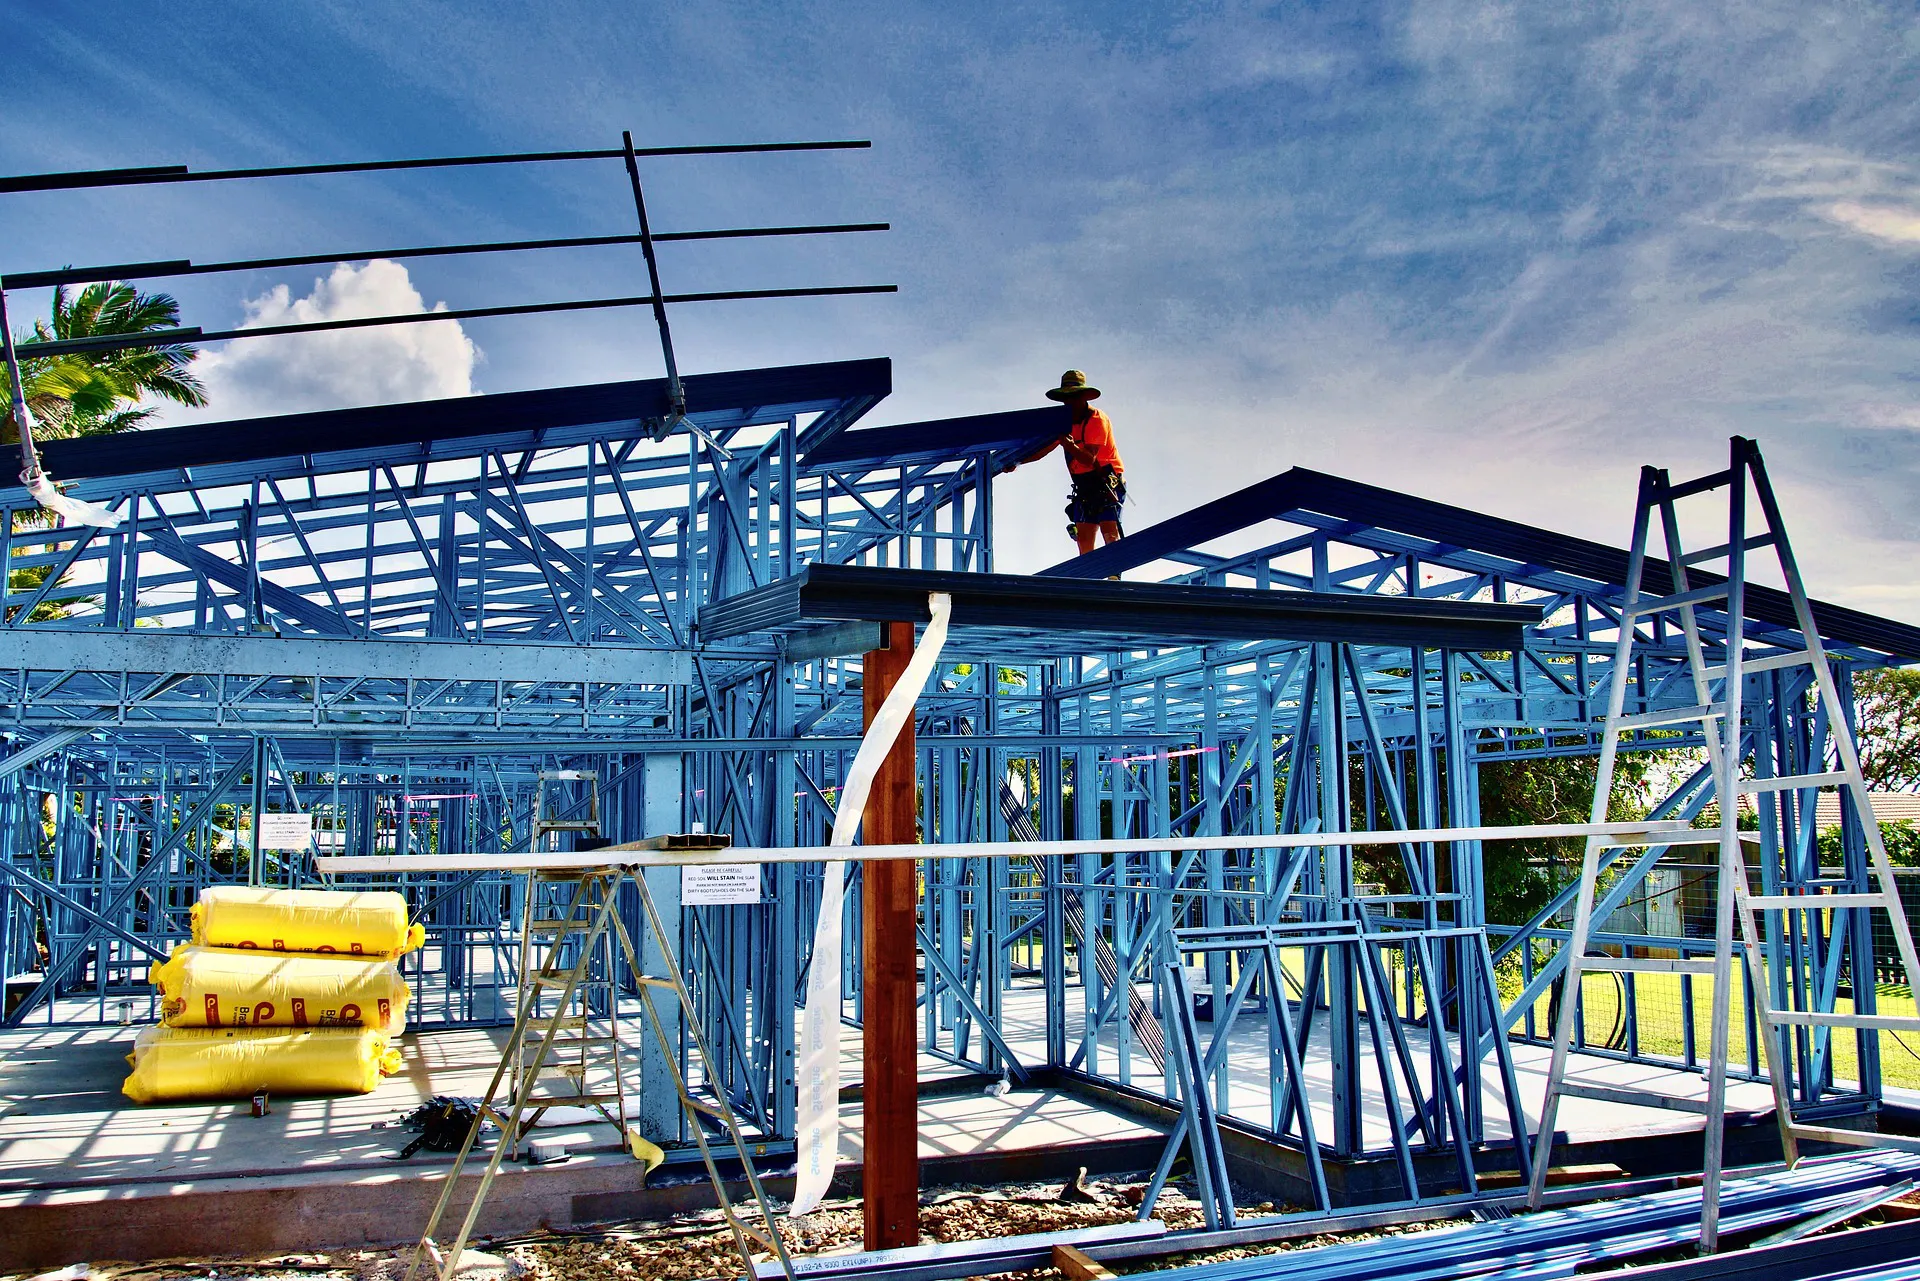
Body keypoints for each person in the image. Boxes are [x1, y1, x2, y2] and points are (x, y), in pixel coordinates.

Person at [1009, 369, 1126, 555]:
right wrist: (1017, 461)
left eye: (1074, 397)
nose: (1070, 402)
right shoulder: (1064, 421)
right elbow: (1043, 449)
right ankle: (1087, 579)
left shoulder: (1097, 419)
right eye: (1067, 398)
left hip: (1106, 480)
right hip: (1084, 484)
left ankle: (1114, 577)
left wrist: (1068, 444)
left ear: (1083, 397)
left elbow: (1089, 459)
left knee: (1109, 531)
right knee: (1085, 538)